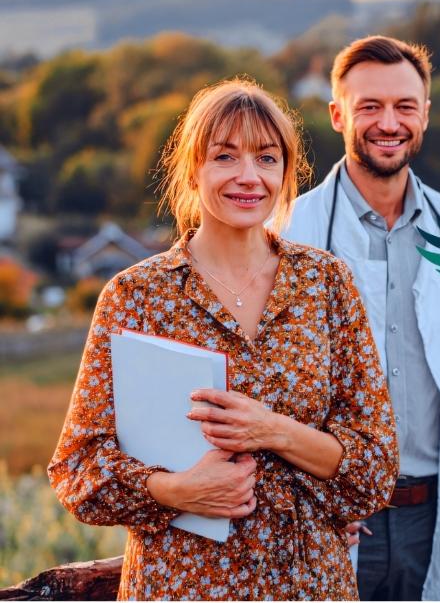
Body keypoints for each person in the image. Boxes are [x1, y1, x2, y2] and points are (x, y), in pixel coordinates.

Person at [47, 79, 398, 600]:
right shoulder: (135, 296)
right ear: (193, 167)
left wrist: (273, 430)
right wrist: (175, 491)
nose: (248, 177)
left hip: (309, 582)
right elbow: (78, 468)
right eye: (225, 157)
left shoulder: (328, 284)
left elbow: (375, 467)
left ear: (286, 172)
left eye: (266, 158)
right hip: (181, 582)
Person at [280, 36, 440, 600]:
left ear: (425, 116)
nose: (389, 123)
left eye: (405, 106)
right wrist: (309, 499)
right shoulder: (288, 232)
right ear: (337, 115)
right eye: (370, 107)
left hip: (438, 511)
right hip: (332, 512)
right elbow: (268, 387)